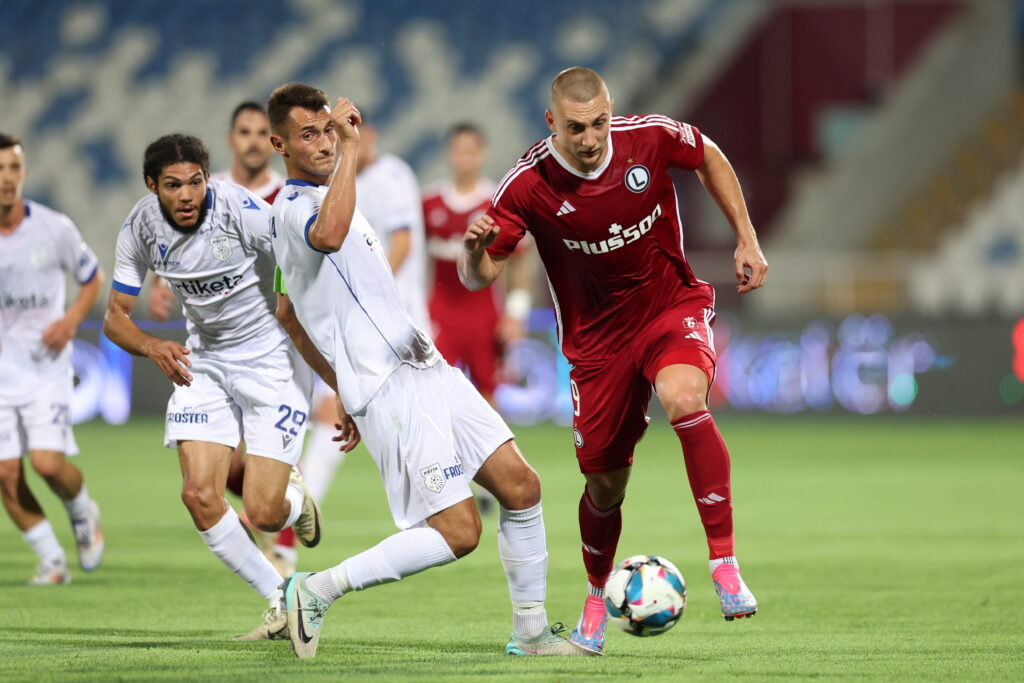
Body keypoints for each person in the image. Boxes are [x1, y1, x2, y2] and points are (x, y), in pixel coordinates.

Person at [266, 82, 589, 659]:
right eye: (308, 135)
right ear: (279, 145)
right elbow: (328, 239)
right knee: (460, 530)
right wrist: (346, 146)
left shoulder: (337, 199)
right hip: (389, 387)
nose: (322, 144)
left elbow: (289, 312)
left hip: (426, 366)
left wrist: (340, 388)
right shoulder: (292, 210)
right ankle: (314, 590)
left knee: (522, 487)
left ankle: (533, 632)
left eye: (326, 131)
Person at [458, 67, 768, 655]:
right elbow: (478, 277)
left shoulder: (648, 138)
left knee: (684, 400)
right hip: (596, 347)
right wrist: (473, 253)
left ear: (611, 111)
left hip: (667, 306)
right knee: (604, 485)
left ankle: (724, 563)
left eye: (599, 121)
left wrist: (746, 237)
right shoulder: (527, 183)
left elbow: (709, 154)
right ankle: (596, 598)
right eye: (576, 127)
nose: (592, 137)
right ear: (552, 122)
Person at [103, 133, 321, 641]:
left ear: (208, 177)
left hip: (270, 361)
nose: (187, 195)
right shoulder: (139, 226)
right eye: (173, 185)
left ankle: (295, 503)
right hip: (204, 363)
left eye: (196, 182)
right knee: (200, 495)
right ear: (152, 185)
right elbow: (116, 318)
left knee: (265, 512)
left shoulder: (239, 209)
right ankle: (283, 596)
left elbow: (300, 257)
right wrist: (152, 346)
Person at [147, 102, 297, 575]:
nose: (253, 140)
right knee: (227, 474)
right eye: (244, 132)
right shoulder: (194, 199)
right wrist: (157, 281)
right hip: (215, 357)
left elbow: (302, 259)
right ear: (232, 140)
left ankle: (285, 569)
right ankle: (281, 566)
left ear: (274, 142)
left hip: (280, 350)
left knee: (262, 488)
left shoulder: (284, 196)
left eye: (261, 132)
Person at [0, 133, 105, 585]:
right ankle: (51, 560)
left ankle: (83, 512)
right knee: (5, 474)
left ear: (24, 173)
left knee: (46, 464)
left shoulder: (52, 227)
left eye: (13, 169)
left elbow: (92, 277)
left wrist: (70, 321)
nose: (6, 179)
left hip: (45, 368)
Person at [422, 123, 534, 406]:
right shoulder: (428, 202)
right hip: (439, 314)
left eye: (471, 151)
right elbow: (414, 261)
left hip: (485, 316)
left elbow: (520, 265)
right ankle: (441, 452)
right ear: (449, 154)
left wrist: (515, 314)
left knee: (488, 398)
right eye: (459, 151)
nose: (465, 158)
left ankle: (491, 452)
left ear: (482, 154)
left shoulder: (497, 202)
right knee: (433, 393)